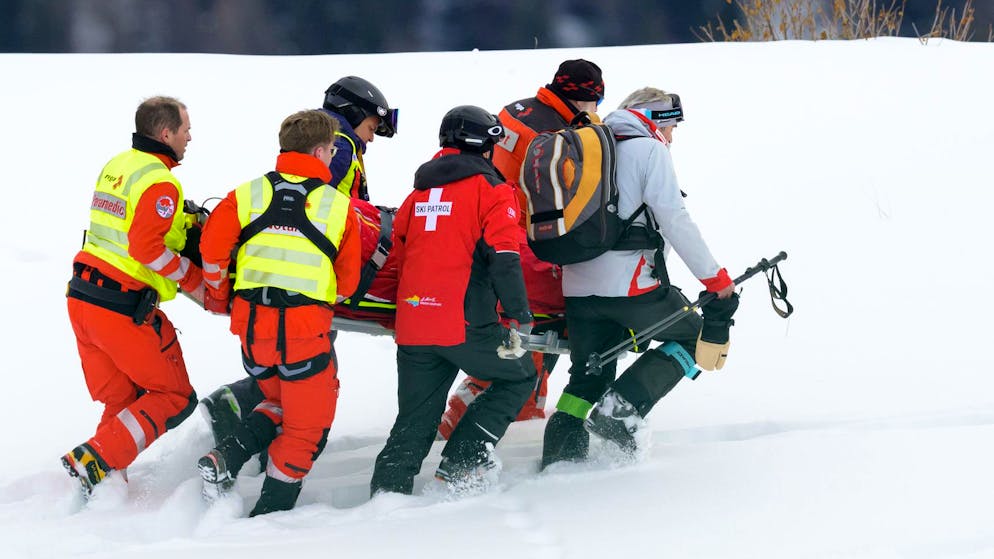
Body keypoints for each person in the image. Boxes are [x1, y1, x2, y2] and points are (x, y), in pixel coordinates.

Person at [541, 87, 739, 469]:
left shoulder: (588, 147)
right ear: (657, 119)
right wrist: (715, 278)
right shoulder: (649, 150)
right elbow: (674, 219)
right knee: (694, 336)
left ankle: (560, 459)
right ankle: (622, 410)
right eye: (673, 126)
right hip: (630, 284)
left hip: (578, 284)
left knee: (589, 371)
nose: (673, 136)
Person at [198, 75, 398, 447]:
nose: (371, 137)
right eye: (371, 126)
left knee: (285, 355)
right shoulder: (339, 147)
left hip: (292, 271)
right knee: (304, 363)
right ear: (352, 115)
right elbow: (319, 199)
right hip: (311, 274)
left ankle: (247, 418)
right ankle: (245, 415)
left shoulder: (330, 142)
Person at [195, 110, 362, 516]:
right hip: (303, 334)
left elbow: (212, 252)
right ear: (321, 151)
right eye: (333, 151)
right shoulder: (338, 208)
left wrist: (220, 295)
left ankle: (225, 458)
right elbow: (348, 284)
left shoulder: (247, 194)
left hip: (253, 332)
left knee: (279, 402)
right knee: (307, 428)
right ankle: (270, 519)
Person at [369, 106, 535, 495]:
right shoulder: (492, 192)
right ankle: (463, 463)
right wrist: (518, 314)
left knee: (414, 419)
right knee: (520, 375)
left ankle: (386, 496)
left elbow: (399, 255)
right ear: (484, 145)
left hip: (414, 324)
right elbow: (506, 257)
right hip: (463, 323)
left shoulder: (417, 195)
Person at [436, 59, 605, 438]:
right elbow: (561, 198)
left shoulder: (516, 111)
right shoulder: (557, 134)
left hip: (480, 232)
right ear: (584, 100)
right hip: (519, 242)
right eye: (596, 103)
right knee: (535, 329)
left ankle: (493, 414)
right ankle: (492, 419)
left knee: (518, 338)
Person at [62, 96, 203, 496]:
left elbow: (127, 227)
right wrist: (192, 277)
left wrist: (183, 220)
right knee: (174, 397)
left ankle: (102, 483)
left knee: (123, 400)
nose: (190, 137)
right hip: (119, 307)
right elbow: (145, 248)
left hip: (82, 298)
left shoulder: (118, 166)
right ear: (165, 133)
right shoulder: (161, 181)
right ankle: (95, 459)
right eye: (185, 129)